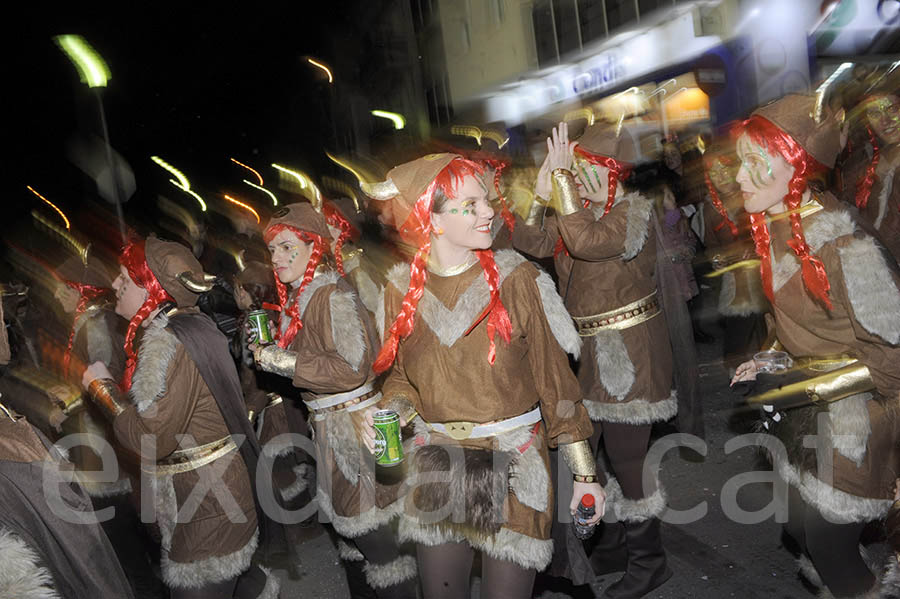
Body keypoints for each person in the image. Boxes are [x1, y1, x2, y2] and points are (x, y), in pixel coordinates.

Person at [359, 153, 602, 599]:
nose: (489, 210)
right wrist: (393, 410)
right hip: (438, 464)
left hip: (514, 461)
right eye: (470, 204)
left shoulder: (518, 279)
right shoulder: (399, 292)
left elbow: (556, 385)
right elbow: (400, 380)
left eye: (485, 200)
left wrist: (585, 475)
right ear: (430, 218)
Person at [729, 93, 900, 597]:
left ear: (797, 171)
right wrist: (771, 356)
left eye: (754, 164)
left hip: (858, 425)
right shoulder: (779, 232)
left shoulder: (846, 249)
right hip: (807, 416)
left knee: (828, 544)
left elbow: (895, 359)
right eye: (740, 162)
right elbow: (811, 332)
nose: (738, 177)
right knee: (802, 532)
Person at [513, 123, 677, 598]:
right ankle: (605, 545)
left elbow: (588, 242)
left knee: (628, 460)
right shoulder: (578, 214)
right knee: (583, 455)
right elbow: (530, 240)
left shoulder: (633, 210)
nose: (577, 177)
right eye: (574, 170)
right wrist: (541, 193)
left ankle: (651, 562)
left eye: (583, 170)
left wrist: (563, 188)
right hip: (585, 358)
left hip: (630, 358)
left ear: (612, 172)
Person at [81, 236, 280, 599]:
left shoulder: (170, 341)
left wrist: (103, 390)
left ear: (152, 288)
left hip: (211, 504)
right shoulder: (186, 327)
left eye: (126, 278)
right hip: (204, 499)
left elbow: (152, 439)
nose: (114, 285)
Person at [251, 203, 417, 598]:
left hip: (353, 432)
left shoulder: (331, 294)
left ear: (315, 247)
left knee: (378, 544)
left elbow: (353, 368)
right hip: (330, 429)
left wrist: (278, 358)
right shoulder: (304, 298)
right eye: (272, 250)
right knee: (355, 541)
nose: (276, 259)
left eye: (287, 247)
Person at [0, 292, 135, 599]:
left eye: (66, 287)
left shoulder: (87, 325)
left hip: (96, 443)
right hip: (82, 445)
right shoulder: (13, 446)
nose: (58, 291)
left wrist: (90, 392)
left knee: (117, 523)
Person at [700, 142, 768, 369]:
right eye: (714, 173)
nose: (721, 177)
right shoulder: (710, 209)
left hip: (766, 273)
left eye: (724, 168)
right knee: (737, 339)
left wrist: (758, 247)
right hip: (736, 284)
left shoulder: (756, 194)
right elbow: (711, 246)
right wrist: (717, 258)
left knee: (768, 332)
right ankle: (740, 382)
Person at [838, 87, 900, 262]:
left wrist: (862, 242)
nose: (885, 121)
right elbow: (840, 210)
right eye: (874, 113)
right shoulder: (864, 164)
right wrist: (835, 151)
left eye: (893, 109)